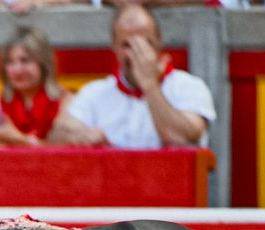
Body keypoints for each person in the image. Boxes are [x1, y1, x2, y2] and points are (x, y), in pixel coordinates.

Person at [50, 5, 214, 149]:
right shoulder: (95, 92)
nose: (137, 53)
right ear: (114, 47)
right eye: (127, 45)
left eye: (145, 42)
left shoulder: (189, 87)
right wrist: (77, 136)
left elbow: (181, 138)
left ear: (159, 42)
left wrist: (150, 85)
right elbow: (57, 137)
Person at [0, 26, 70, 148]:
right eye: (10, 62)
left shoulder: (65, 101)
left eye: (25, 61)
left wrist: (18, 139)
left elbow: (68, 154)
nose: (17, 70)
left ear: (43, 63)